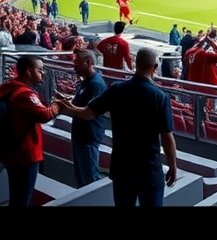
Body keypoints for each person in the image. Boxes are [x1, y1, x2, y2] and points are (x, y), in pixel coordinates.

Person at [57, 47, 178, 207]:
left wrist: (65, 107)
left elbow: (87, 113)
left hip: (122, 167)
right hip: (148, 170)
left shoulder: (116, 89)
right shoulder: (160, 97)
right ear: (154, 67)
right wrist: (173, 166)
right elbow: (167, 137)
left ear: (135, 64)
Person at [0, 55, 61, 207]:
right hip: (25, 155)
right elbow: (45, 115)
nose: (43, 73)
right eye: (40, 70)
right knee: (22, 198)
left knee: (16, 193)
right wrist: (58, 105)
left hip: (10, 149)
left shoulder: (8, 87)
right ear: (29, 72)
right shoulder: (25, 94)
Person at [65, 49, 108, 187]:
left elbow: (88, 113)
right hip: (80, 136)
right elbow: (81, 102)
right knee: (81, 178)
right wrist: (67, 100)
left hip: (88, 137)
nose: (74, 66)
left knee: (89, 181)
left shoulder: (96, 84)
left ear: (89, 62)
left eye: (77, 63)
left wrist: (64, 107)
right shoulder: (86, 81)